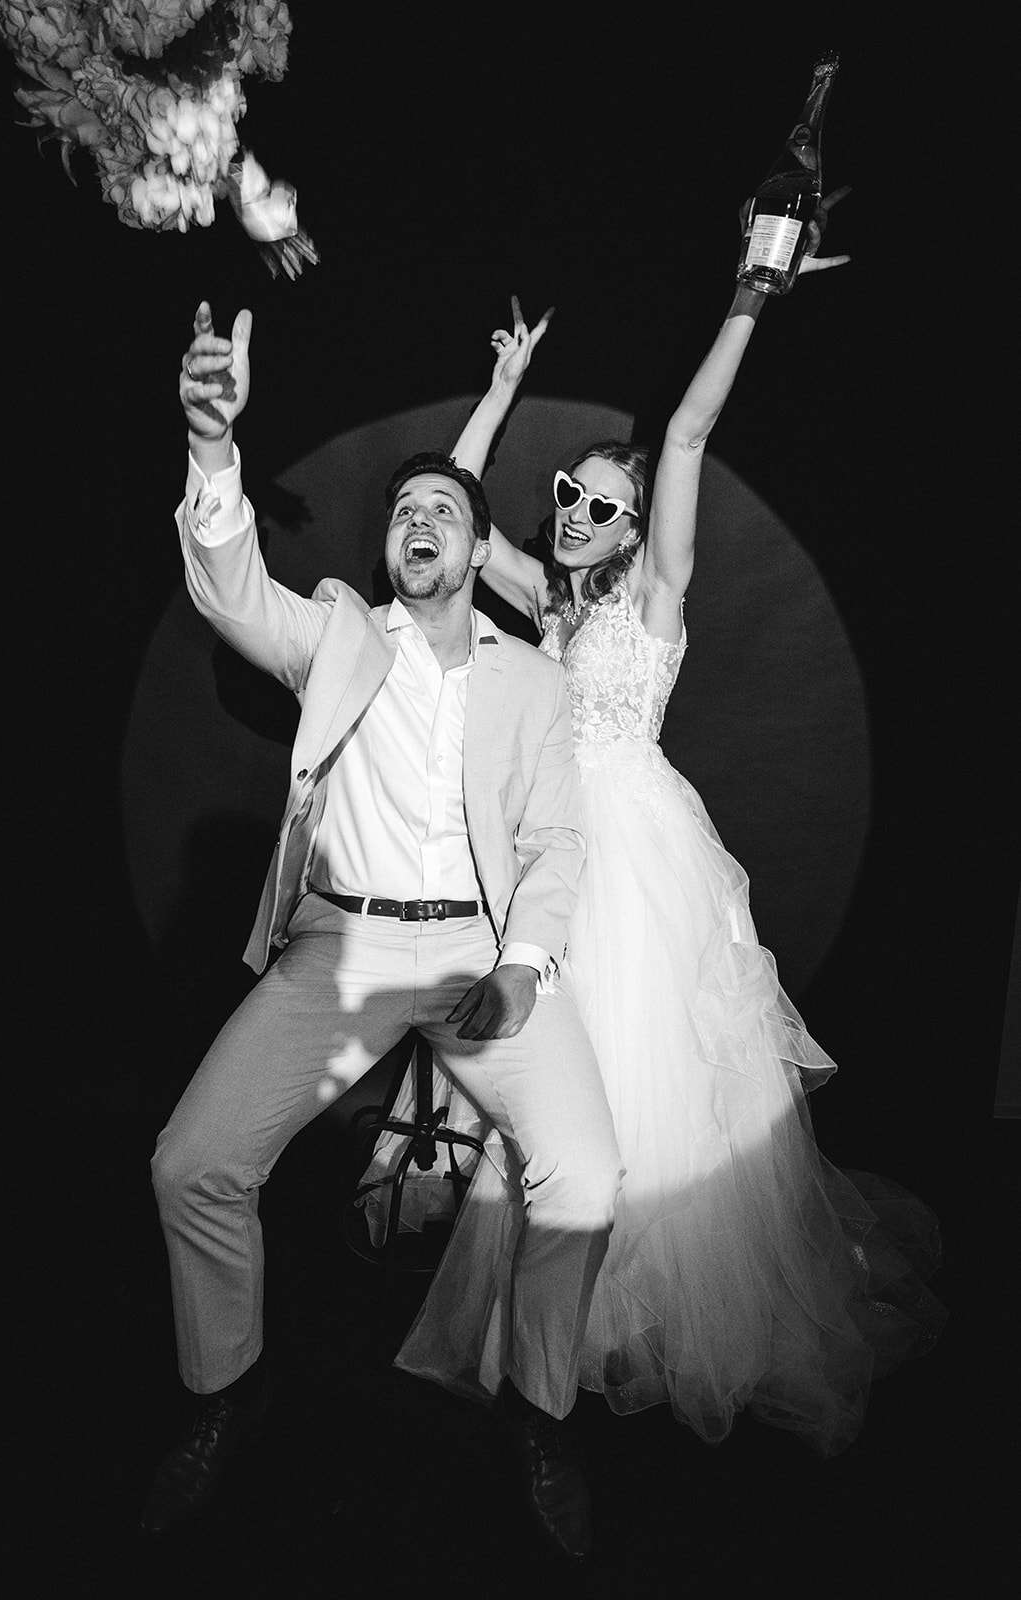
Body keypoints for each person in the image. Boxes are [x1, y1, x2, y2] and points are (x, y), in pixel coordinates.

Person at [393, 202, 945, 1454]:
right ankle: (554, 1330)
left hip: (635, 861)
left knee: (646, 1094)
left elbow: (686, 430)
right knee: (552, 1104)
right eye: (567, 494)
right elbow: (457, 512)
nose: (575, 511)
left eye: (599, 503)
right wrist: (499, 390)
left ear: (639, 530)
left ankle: (629, 1325)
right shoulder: (547, 603)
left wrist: (751, 293)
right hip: (550, 860)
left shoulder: (653, 597)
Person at [139, 300, 623, 1560]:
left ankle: (539, 1416)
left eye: (442, 510)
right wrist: (211, 444)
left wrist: (521, 969)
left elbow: (555, 842)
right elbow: (230, 590)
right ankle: (222, 1394)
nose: (418, 520)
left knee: (584, 1174)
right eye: (404, 509)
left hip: (475, 952)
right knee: (192, 1164)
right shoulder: (337, 633)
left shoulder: (531, 679)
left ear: (475, 546)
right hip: (339, 952)